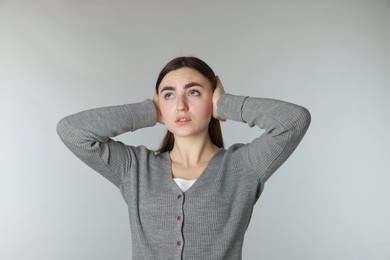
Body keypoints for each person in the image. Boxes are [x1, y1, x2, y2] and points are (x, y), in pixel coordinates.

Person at [57, 56, 311, 259]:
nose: (180, 105)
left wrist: (224, 104)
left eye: (194, 92)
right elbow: (73, 131)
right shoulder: (134, 168)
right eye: (168, 95)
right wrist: (149, 111)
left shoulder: (243, 167)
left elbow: (293, 120)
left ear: (211, 99)